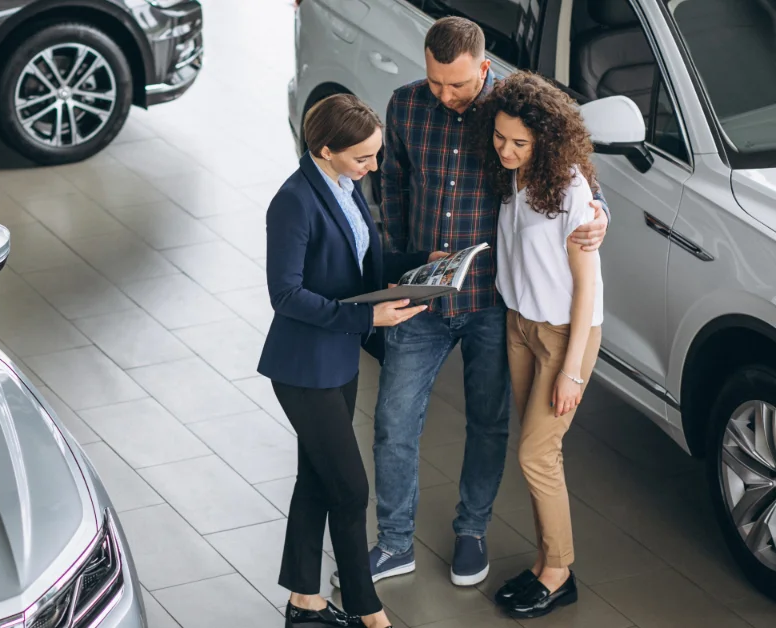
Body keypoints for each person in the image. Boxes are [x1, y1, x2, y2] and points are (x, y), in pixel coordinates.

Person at [351, 16, 611, 589]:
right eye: (436, 82)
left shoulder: (511, 117)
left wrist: (600, 215)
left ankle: (472, 532)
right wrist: (398, 257)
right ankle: (394, 543)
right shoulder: (405, 106)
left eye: (459, 85)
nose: (446, 95)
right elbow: (390, 181)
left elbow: (573, 175)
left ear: (484, 69)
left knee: (489, 424)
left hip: (494, 302)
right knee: (393, 421)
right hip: (421, 294)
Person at [258, 93, 445, 628]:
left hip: (337, 361)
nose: (374, 167)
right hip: (303, 369)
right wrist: (368, 320)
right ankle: (367, 611)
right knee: (350, 487)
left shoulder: (346, 187)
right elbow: (286, 295)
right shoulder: (294, 201)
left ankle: (304, 603)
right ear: (325, 149)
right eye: (364, 157)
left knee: (316, 477)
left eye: (376, 155)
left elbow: (365, 263)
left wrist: (420, 263)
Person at [472, 71, 603, 619]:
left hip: (563, 336)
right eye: (500, 137)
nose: (506, 149)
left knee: (534, 454)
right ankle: (548, 561)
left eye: (519, 143)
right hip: (519, 326)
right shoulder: (513, 175)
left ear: (545, 141)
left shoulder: (569, 188)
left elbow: (588, 285)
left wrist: (572, 370)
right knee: (540, 456)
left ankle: (558, 572)